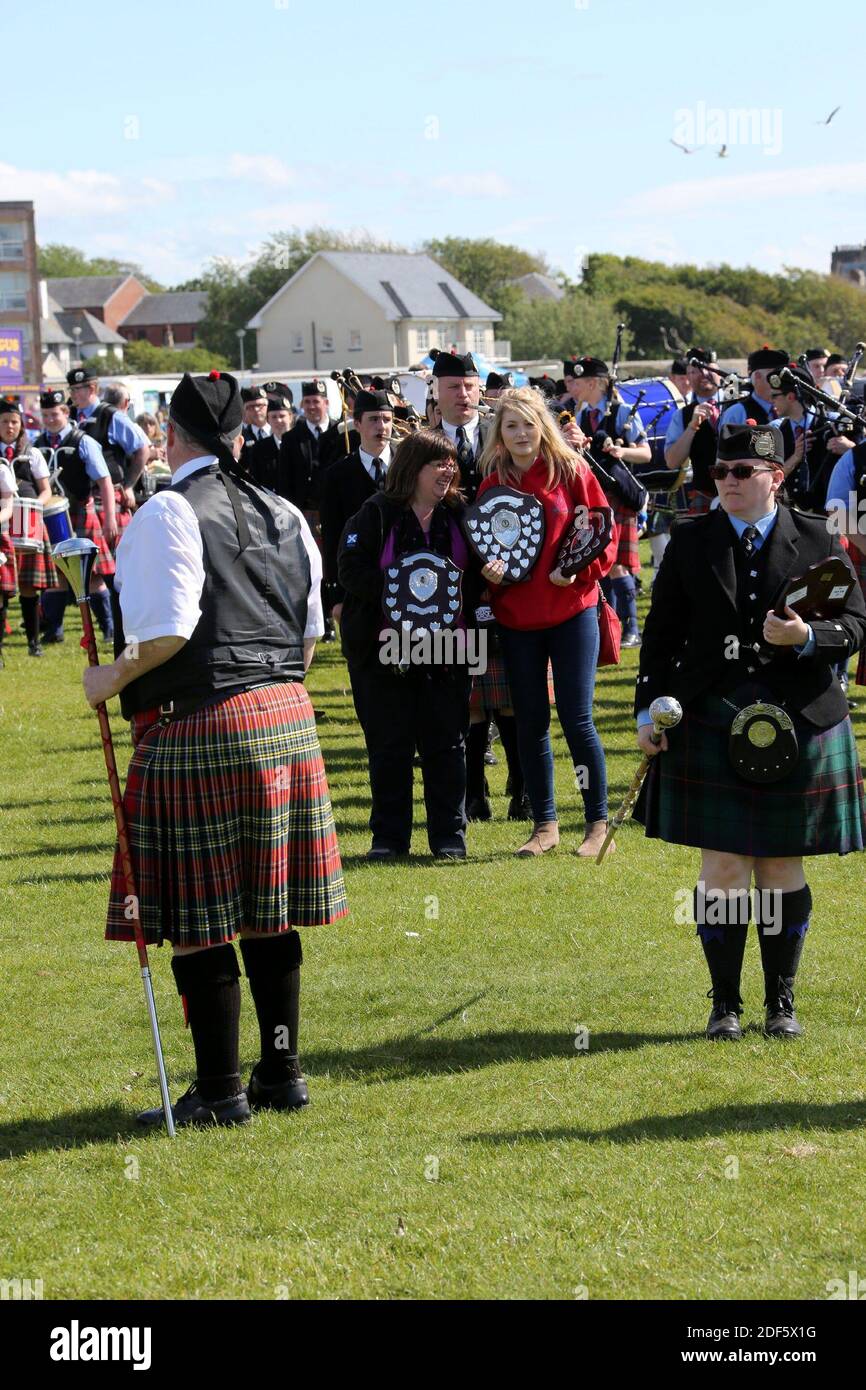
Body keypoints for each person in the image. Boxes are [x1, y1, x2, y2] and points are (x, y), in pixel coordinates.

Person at [81, 370, 347, 1129]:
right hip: (287, 714)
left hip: (203, 721)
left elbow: (164, 631)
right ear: (239, 434)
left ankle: (222, 1091)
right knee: (270, 906)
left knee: (202, 915)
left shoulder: (168, 509)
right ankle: (282, 1072)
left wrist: (109, 677)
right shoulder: (286, 511)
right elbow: (309, 638)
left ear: (172, 436)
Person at [633, 422, 866, 1040]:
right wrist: (647, 711)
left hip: (803, 715)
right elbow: (660, 638)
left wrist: (807, 638)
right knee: (726, 867)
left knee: (781, 864)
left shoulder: (816, 536)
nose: (728, 483)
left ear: (775, 478)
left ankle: (781, 1002)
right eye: (719, 473)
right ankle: (725, 1005)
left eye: (742, 473)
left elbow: (857, 624)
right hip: (711, 712)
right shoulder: (690, 541)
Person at [477, 386, 618, 858]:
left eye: (529, 423)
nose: (521, 433)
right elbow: (485, 548)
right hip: (517, 618)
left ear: (544, 426)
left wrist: (581, 569)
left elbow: (604, 530)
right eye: (511, 425)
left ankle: (597, 825)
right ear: (500, 431)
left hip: (573, 611)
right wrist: (491, 576)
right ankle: (544, 826)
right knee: (530, 723)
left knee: (577, 719)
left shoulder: (572, 470)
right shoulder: (493, 482)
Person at [338, 428, 483, 862]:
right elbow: (349, 569)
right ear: (412, 468)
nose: (448, 470)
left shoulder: (460, 513)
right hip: (385, 648)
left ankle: (448, 837)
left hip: (450, 648)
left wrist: (485, 579)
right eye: (438, 463)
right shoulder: (374, 513)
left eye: (451, 463)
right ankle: (389, 839)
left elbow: (474, 578)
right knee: (389, 745)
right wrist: (403, 593)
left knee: (447, 743)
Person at [564, 356, 651, 648]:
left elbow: (646, 453)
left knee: (617, 565)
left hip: (618, 496)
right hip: (591, 497)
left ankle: (632, 629)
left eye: (578, 382)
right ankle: (607, 628)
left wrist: (620, 452)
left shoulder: (623, 411)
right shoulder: (578, 415)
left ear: (593, 383)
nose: (573, 386)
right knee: (598, 563)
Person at [34, 389, 117, 642]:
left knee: (92, 574)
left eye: (54, 414)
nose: (49, 419)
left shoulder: (83, 441)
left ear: (66, 412)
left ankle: (108, 629)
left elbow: (104, 481)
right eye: (45, 415)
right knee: (56, 573)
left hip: (81, 510)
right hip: (52, 515)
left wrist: (110, 518)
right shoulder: (38, 444)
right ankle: (54, 630)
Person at [320, 388, 393, 626]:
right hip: (357, 584)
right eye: (373, 419)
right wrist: (336, 597)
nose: (381, 427)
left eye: (387, 420)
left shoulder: (409, 467)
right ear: (357, 424)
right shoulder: (337, 475)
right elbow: (332, 538)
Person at [67, 365, 150, 573]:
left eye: (78, 389)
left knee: (118, 567)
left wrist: (129, 485)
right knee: (89, 568)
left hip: (109, 495)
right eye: (72, 389)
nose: (74, 394)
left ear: (92, 388)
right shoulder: (70, 416)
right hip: (80, 497)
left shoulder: (111, 416)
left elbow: (143, 449)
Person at [0, 396, 57, 655]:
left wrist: (33, 508)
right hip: (2, 526)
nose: (10, 427)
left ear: (21, 424)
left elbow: (45, 490)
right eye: (4, 422)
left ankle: (33, 643)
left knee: (28, 586)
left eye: (14, 422)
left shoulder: (32, 453)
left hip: (28, 524)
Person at [663, 347, 721, 517]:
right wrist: (692, 427)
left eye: (708, 368)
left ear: (718, 370)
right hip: (706, 494)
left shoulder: (739, 404)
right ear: (688, 377)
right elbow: (672, 461)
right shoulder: (682, 415)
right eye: (695, 371)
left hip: (745, 492)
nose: (703, 374)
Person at [431, 350, 492, 502]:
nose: (463, 394)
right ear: (435, 391)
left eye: (469, 386)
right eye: (454, 387)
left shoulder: (500, 435)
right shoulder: (424, 445)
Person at [720, 346, 787, 426]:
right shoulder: (737, 413)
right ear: (757, 376)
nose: (780, 380)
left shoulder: (789, 409)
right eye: (774, 375)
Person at [247, 388, 295, 495]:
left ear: (290, 417)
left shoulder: (300, 444)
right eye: (274, 417)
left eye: (282, 416)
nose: (278, 421)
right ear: (268, 420)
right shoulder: (259, 448)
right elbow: (256, 481)